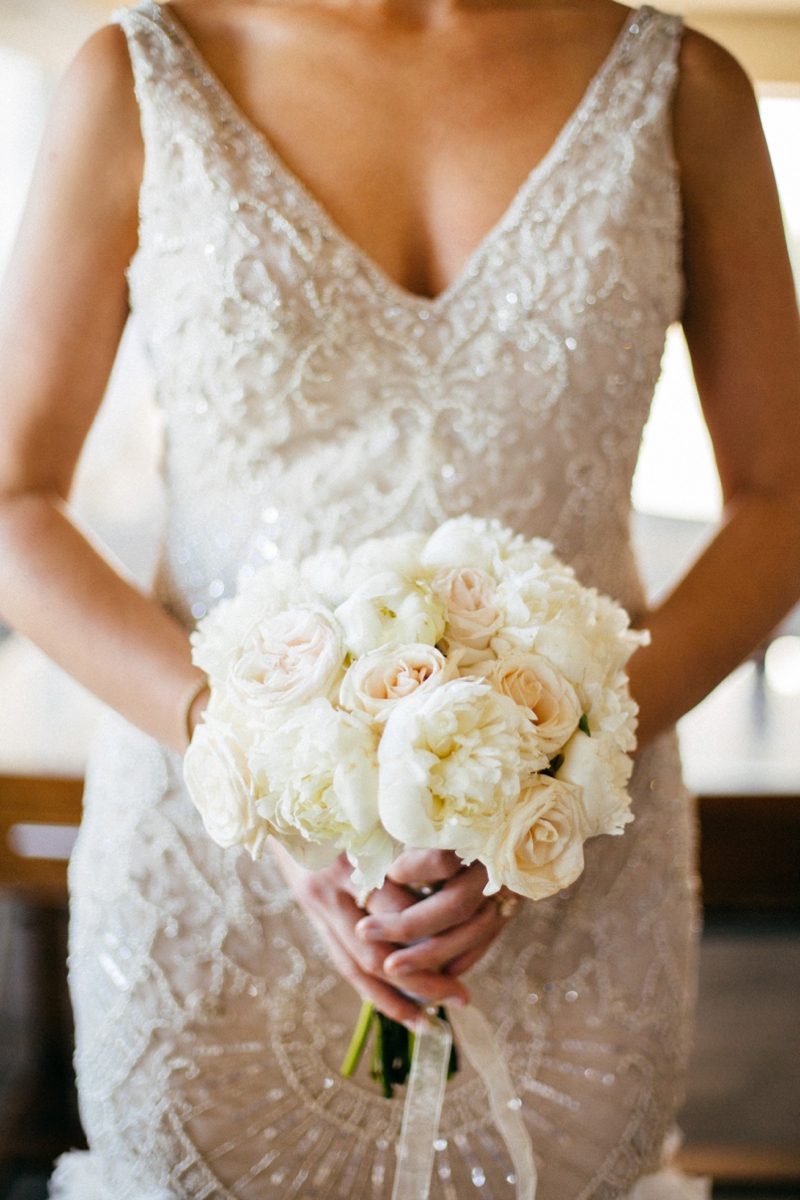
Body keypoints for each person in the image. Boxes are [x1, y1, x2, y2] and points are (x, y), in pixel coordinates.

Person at [0, 0, 799, 1193]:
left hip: (572, 857)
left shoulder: (682, 89)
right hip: (211, 857)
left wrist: (555, 771)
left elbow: (780, 498)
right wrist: (249, 763)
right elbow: (14, 500)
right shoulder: (141, 73)